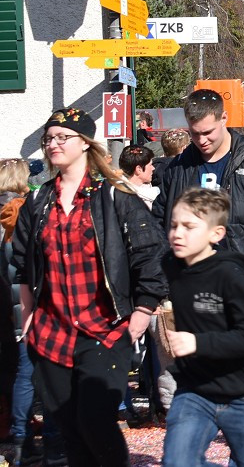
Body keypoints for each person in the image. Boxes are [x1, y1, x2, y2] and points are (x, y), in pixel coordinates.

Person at [12, 108, 168, 467]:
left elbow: (150, 254)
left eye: (61, 137)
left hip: (105, 331)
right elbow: (23, 266)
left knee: (95, 421)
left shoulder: (112, 196)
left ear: (84, 144)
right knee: (69, 430)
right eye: (48, 138)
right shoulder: (37, 202)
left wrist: (142, 311)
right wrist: (28, 322)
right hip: (51, 334)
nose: (53, 144)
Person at [153, 89, 244, 376]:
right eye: (194, 134)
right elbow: (161, 223)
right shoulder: (179, 168)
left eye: (208, 132)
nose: (201, 140)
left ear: (224, 118)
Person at [161, 188, 244, 467]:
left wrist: (198, 343)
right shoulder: (171, 265)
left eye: (189, 227)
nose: (177, 233)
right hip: (195, 389)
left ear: (216, 234)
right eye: (174, 225)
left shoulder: (231, 276)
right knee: (177, 462)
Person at [1, 158, 63, 467]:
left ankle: (21, 435)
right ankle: (26, 438)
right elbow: (22, 268)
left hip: (9, 308)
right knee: (31, 374)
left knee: (17, 374)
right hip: (26, 309)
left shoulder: (6, 212)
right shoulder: (20, 212)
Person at [119, 144, 159, 208]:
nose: (153, 168)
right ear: (139, 169)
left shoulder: (151, 192)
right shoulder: (119, 197)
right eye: (150, 165)